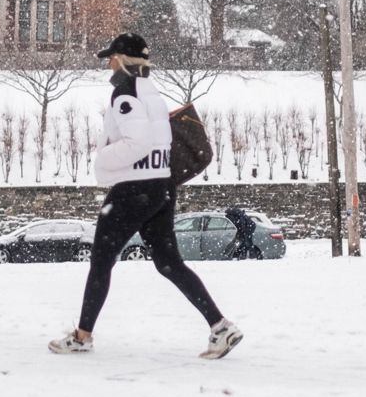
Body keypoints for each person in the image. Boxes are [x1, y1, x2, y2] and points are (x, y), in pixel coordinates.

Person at [49, 33, 243, 359]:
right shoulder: (154, 96)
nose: (108, 64)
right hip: (160, 187)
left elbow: (136, 143)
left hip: (132, 191)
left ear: (122, 61)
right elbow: (158, 145)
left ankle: (82, 337)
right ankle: (220, 327)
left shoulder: (124, 95)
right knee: (169, 263)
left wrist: (102, 163)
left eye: (111, 58)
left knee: (100, 261)